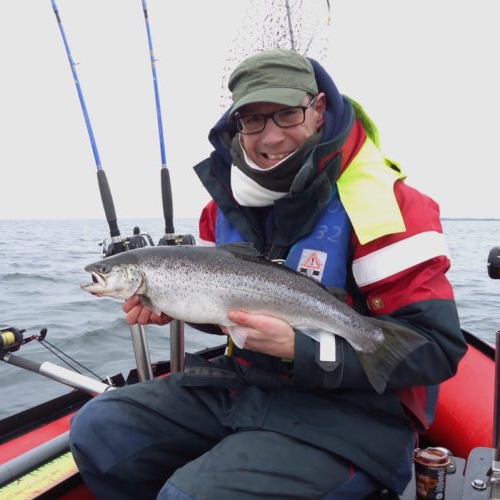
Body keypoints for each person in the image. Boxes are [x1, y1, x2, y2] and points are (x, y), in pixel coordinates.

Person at [69, 48, 467, 499]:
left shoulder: (391, 206)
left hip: (354, 416)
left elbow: (435, 350)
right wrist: (176, 308)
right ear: (237, 124)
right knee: (99, 428)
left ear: (317, 110)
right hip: (246, 387)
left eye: (286, 115)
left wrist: (300, 349)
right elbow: (225, 306)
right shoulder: (221, 207)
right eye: (253, 120)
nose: (271, 137)